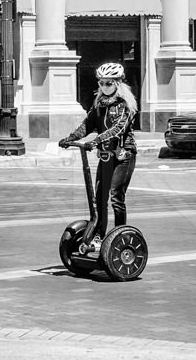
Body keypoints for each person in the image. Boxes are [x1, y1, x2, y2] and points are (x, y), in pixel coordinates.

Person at [58, 63, 139, 254]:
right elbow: (87, 124)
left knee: (116, 197)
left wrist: (96, 141)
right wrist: (71, 138)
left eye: (108, 83)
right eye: (101, 83)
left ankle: (120, 235)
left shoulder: (126, 105)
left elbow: (118, 129)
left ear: (118, 83)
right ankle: (99, 236)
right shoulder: (99, 104)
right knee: (99, 199)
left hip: (123, 155)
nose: (104, 87)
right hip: (105, 156)